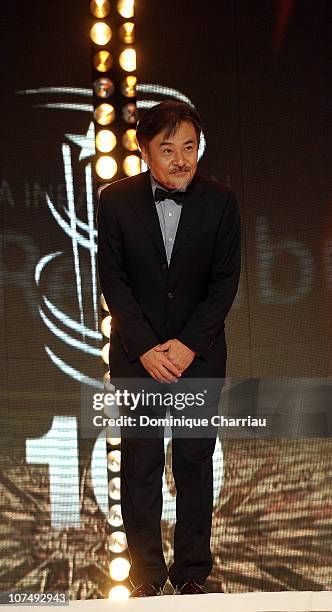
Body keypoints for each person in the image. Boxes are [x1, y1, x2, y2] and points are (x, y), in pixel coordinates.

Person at [97, 99, 241, 596]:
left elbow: (224, 285)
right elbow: (112, 281)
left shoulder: (222, 202)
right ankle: (146, 578)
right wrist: (145, 349)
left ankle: (193, 576)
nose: (182, 159)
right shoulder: (114, 201)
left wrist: (186, 346)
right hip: (138, 360)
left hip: (197, 357)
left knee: (195, 461)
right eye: (169, 148)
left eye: (190, 147)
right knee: (140, 463)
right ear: (143, 150)